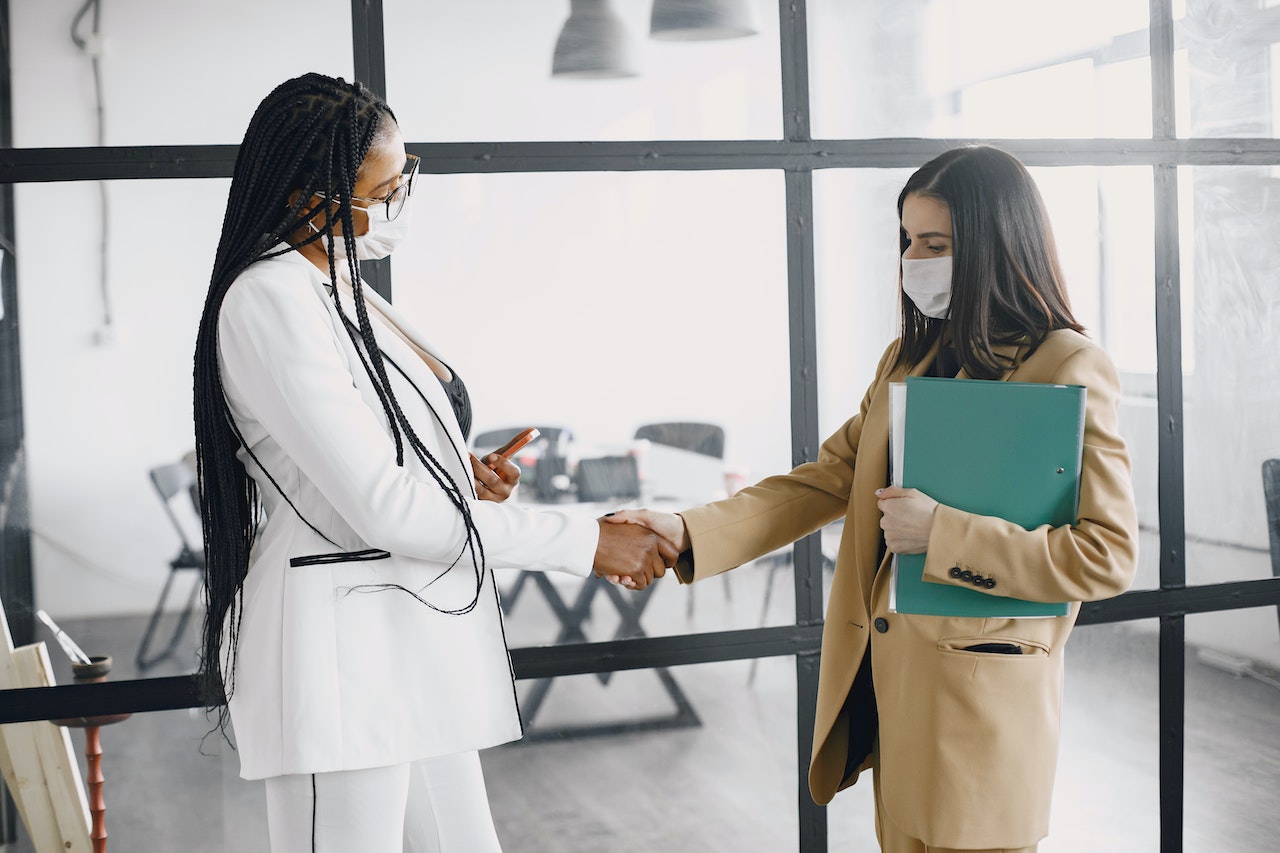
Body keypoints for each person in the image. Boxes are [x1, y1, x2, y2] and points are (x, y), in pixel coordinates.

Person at [608, 145, 1138, 853]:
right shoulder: (907, 359)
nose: (913, 258)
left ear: (992, 245)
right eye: (908, 240)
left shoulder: (1068, 365)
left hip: (984, 714)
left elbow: (1105, 556)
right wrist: (684, 527)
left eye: (935, 243)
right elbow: (826, 479)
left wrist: (941, 533)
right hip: (896, 702)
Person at [192, 73, 674, 852]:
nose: (399, 202)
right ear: (309, 197)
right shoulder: (270, 298)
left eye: (404, 177)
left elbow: (370, 454)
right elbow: (383, 506)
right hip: (344, 664)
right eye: (385, 188)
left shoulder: (338, 284)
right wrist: (582, 540)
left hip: (410, 643)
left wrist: (453, 466)